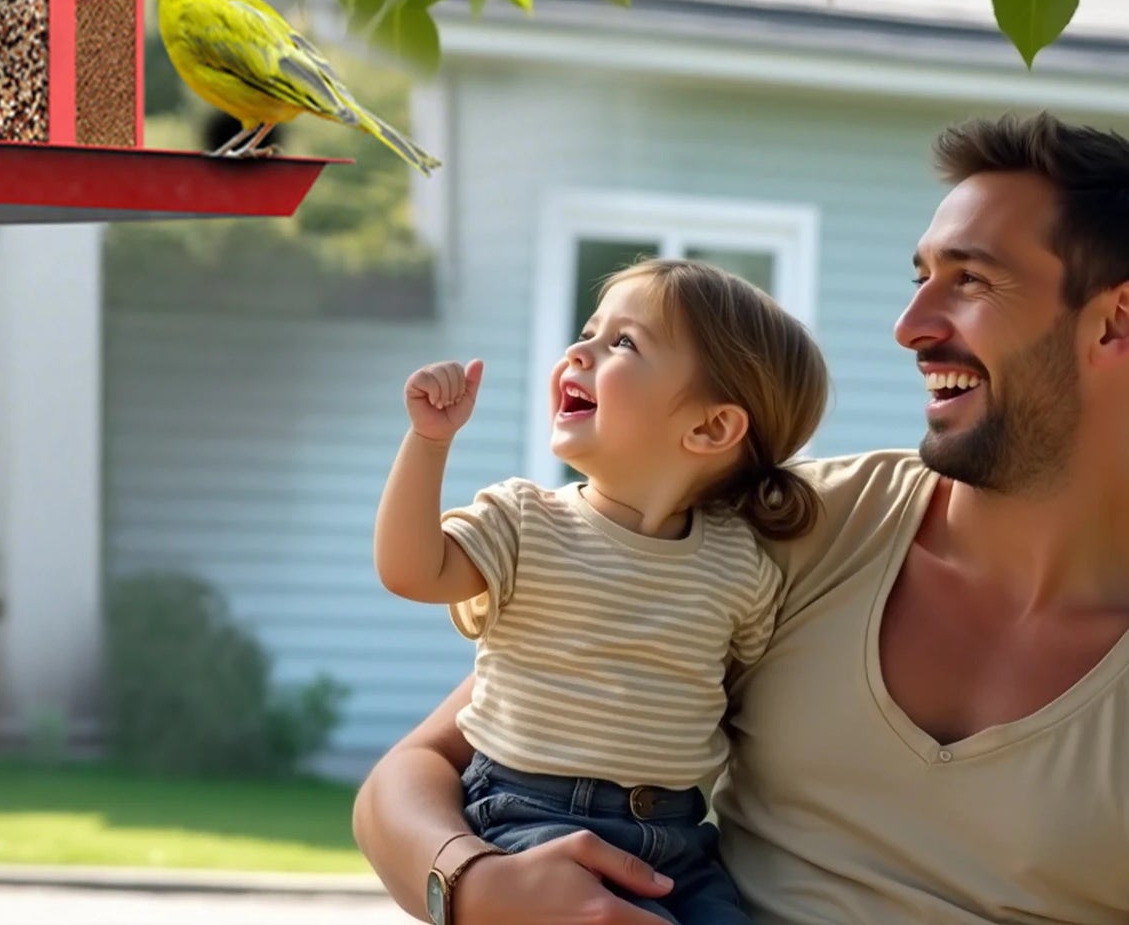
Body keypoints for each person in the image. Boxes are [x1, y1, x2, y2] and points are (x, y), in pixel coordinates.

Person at [354, 113, 1129, 925]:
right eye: (920, 279)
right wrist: (472, 883)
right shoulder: (788, 527)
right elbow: (412, 773)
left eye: (969, 280)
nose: (910, 328)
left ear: (1111, 320)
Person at [373, 258, 827, 923]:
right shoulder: (524, 519)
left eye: (621, 342)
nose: (576, 351)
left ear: (710, 429)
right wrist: (428, 441)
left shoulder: (740, 562)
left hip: (676, 842)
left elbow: (741, 693)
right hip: (524, 816)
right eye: (589, 330)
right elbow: (409, 570)